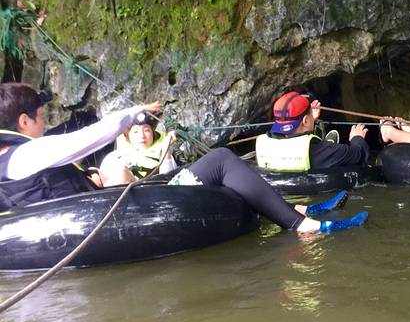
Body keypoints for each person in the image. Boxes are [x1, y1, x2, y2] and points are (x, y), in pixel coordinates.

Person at [0, 83, 367, 233]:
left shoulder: (6, 161)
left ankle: (295, 209)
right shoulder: (25, 153)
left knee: (202, 170)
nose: (44, 122)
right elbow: (85, 139)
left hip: (101, 209)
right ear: (23, 121)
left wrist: (90, 179)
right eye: (40, 116)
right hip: (113, 216)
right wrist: (132, 113)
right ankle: (302, 225)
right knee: (220, 159)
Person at [255, 91, 369, 171]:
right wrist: (357, 138)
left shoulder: (262, 143)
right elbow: (360, 155)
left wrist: (311, 120)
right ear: (305, 120)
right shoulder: (323, 150)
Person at [99, 111, 177, 183]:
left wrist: (166, 153)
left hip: (155, 190)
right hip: (123, 190)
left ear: (153, 134)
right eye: (135, 132)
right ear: (127, 135)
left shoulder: (164, 151)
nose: (142, 136)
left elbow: (169, 180)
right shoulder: (114, 157)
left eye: (146, 130)